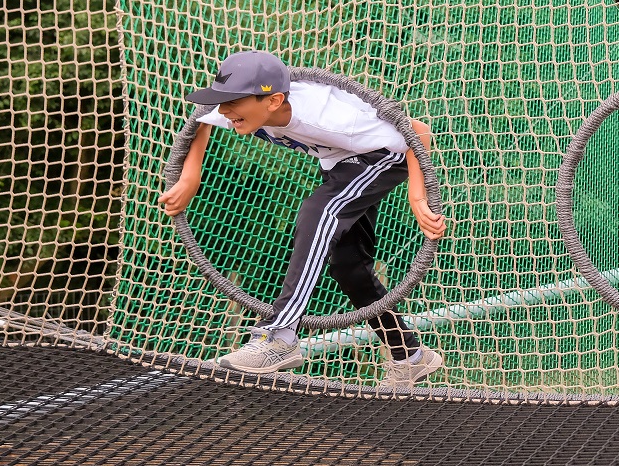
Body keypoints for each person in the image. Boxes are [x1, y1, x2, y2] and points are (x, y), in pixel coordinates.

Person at [157, 50, 449, 388]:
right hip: (341, 164)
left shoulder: (327, 116)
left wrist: (418, 197)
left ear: (273, 100)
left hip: (382, 156)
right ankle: (410, 356)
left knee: (318, 211)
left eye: (232, 102)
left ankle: (280, 334)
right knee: (347, 265)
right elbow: (203, 121)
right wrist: (190, 178)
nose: (225, 110)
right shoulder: (240, 108)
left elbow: (418, 132)